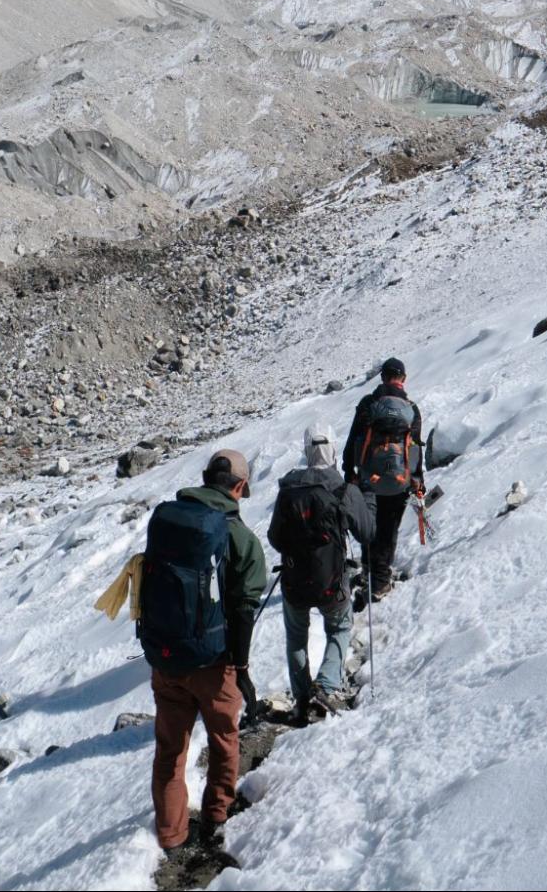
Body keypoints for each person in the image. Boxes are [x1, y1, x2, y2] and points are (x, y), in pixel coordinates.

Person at [137, 448, 268, 859]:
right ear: (240, 487)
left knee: (170, 750)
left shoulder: (170, 519)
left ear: (205, 477)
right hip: (214, 663)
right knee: (224, 739)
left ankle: (171, 834)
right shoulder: (241, 538)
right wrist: (241, 667)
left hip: (166, 656)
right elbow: (244, 610)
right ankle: (216, 814)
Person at [267, 425, 375, 725]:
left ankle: (302, 698)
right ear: (333, 449)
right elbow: (367, 533)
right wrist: (368, 497)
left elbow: (275, 537)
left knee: (296, 638)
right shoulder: (342, 489)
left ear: (306, 450)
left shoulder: (288, 490)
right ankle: (326, 687)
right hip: (333, 580)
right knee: (339, 629)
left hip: (293, 579)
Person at [343, 357, 425, 600]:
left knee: (369, 526)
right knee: (388, 529)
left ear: (382, 377)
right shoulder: (411, 409)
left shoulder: (368, 404)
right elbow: (415, 447)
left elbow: (353, 439)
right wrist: (417, 479)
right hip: (399, 480)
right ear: (403, 378)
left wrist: (349, 471)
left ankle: (371, 573)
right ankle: (380, 581)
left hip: (369, 478)